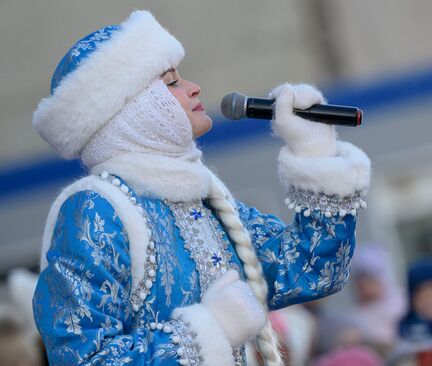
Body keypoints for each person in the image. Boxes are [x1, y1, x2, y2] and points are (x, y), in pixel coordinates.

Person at [30, 10, 371, 366]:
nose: (194, 87)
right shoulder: (97, 208)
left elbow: (311, 271)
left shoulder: (204, 199)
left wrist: (314, 152)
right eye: (171, 82)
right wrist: (210, 330)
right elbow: (84, 358)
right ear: (133, 109)